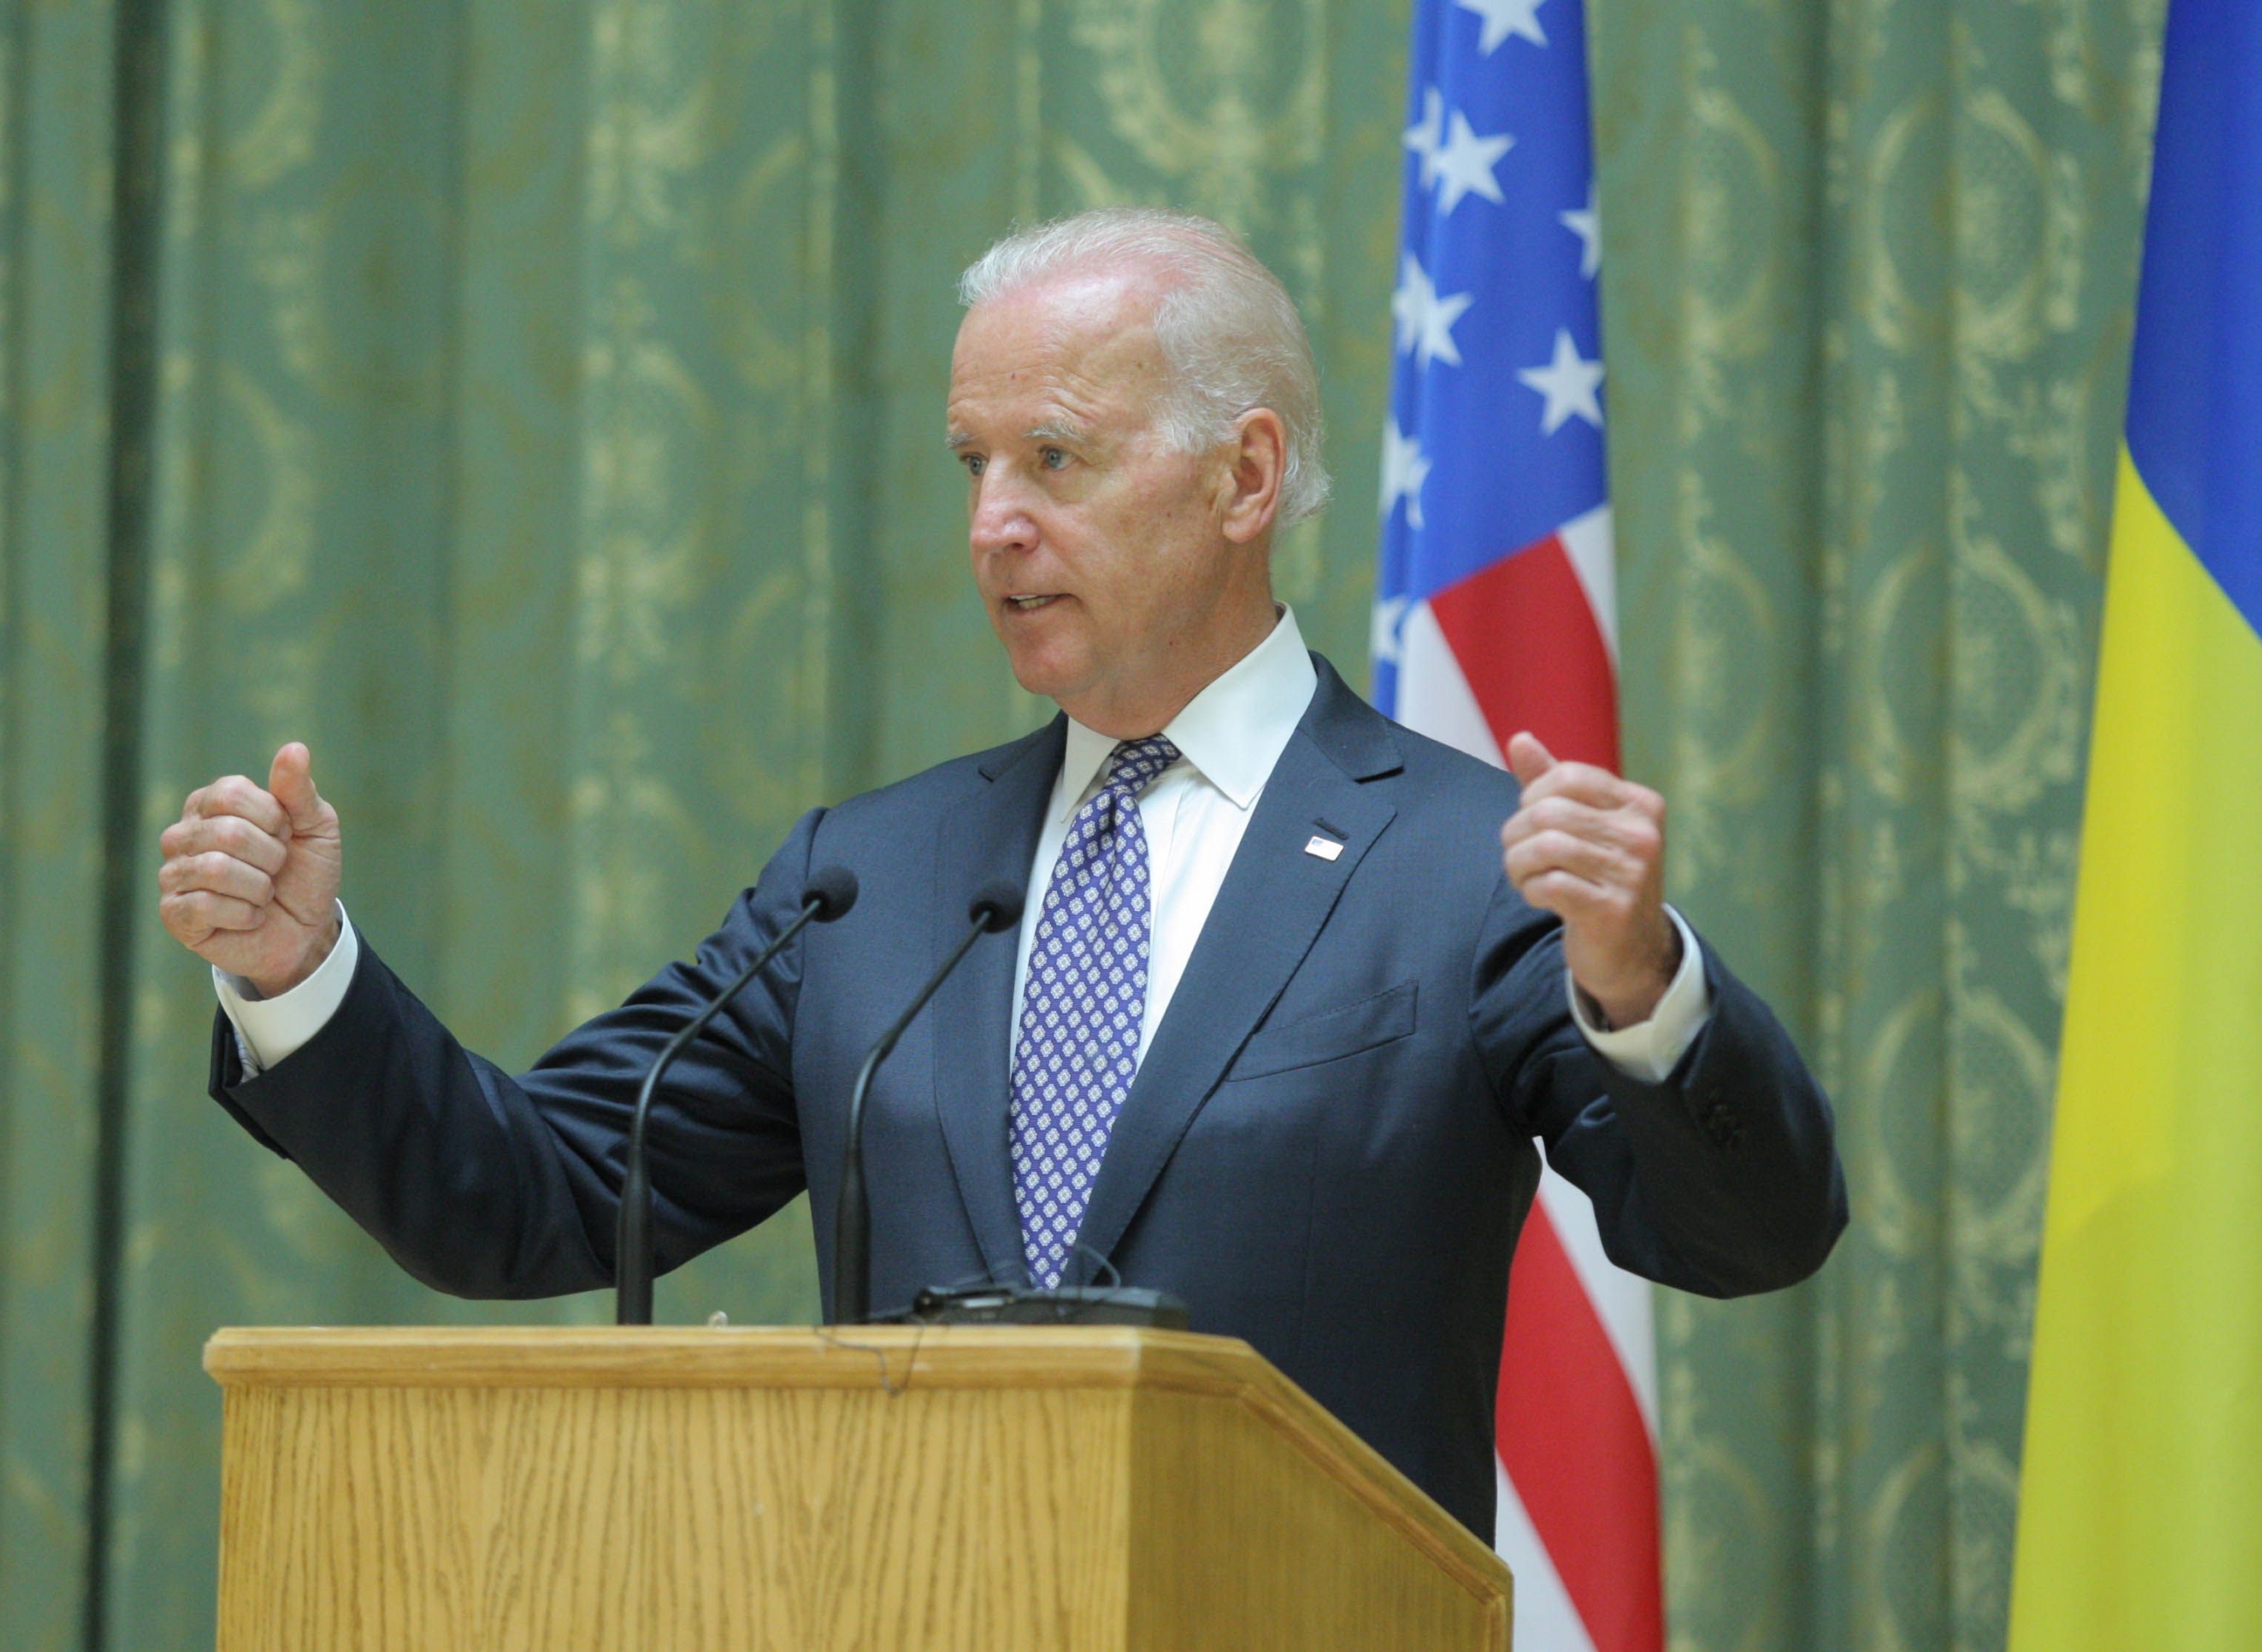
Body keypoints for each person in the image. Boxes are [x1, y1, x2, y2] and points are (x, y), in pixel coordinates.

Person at [156, 208, 1845, 1542]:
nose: (992, 525)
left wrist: (1639, 984)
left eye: (1054, 457)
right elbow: (525, 1194)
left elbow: (1747, 1234)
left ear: (1243, 477)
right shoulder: (867, 881)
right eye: (973, 466)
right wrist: (303, 974)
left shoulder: (1452, 866)